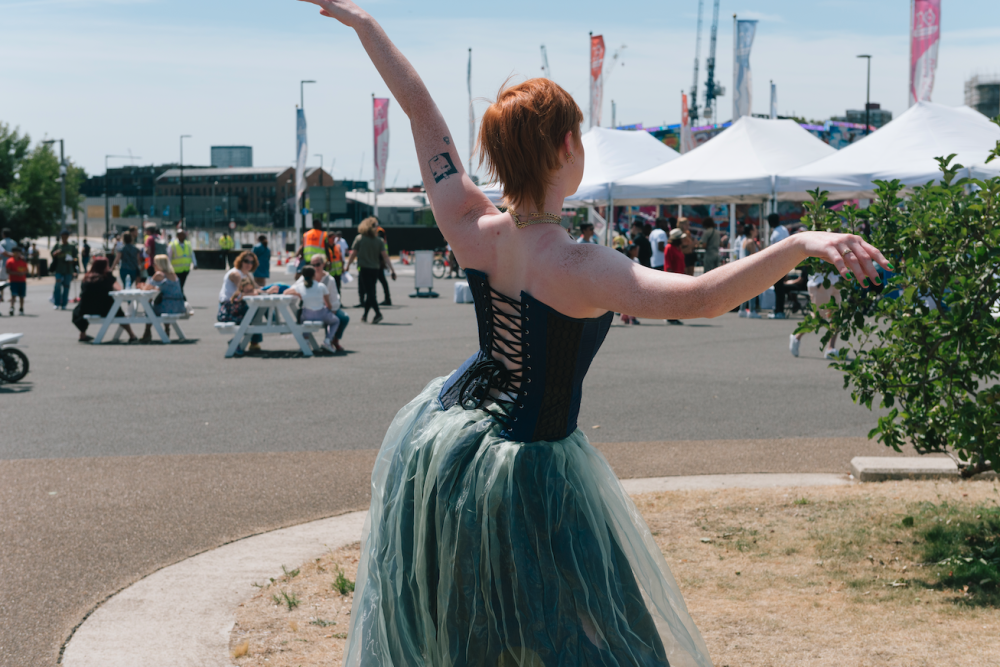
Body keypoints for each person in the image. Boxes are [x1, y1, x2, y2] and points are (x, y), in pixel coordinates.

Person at [298, 4, 889, 665]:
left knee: (476, 630)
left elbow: (419, 112)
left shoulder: (470, 224)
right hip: (531, 464)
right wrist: (800, 243)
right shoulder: (582, 264)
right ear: (565, 148)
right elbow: (702, 298)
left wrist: (366, 26)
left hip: (451, 444)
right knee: (584, 634)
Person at [71, 257, 137, 343]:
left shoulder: (87, 277)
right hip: (104, 308)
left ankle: (82, 334)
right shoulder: (106, 277)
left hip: (85, 309)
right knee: (118, 312)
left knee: (85, 305)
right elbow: (119, 289)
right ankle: (132, 335)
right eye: (107, 265)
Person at [344, 217, 396, 324]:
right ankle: (365, 315)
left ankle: (378, 313)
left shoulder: (360, 238)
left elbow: (353, 254)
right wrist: (392, 270)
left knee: (369, 292)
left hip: (364, 268)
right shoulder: (379, 241)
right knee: (371, 291)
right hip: (375, 269)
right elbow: (385, 256)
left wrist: (348, 265)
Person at [286, 265, 342, 354]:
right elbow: (329, 305)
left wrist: (298, 294)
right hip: (321, 314)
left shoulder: (300, 286)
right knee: (336, 321)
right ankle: (327, 340)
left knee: (303, 317)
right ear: (314, 275)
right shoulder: (321, 286)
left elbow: (286, 292)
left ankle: (306, 340)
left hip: (307, 315)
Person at [219, 250, 264, 352]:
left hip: (239, 305)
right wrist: (262, 291)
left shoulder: (246, 274)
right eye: (246, 261)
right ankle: (244, 342)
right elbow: (244, 291)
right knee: (257, 312)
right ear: (240, 261)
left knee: (260, 309)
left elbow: (256, 288)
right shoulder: (235, 274)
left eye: (252, 262)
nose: (249, 264)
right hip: (228, 308)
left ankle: (253, 342)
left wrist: (268, 290)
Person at [138, 254, 187, 342]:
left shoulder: (159, 274)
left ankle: (147, 332)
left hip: (167, 306)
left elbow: (146, 289)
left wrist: (141, 286)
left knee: (149, 306)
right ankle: (166, 329)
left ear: (160, 264)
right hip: (179, 305)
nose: (153, 265)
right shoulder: (173, 274)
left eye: (155, 263)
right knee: (159, 303)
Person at [308, 254, 350, 349]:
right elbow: (295, 287)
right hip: (312, 309)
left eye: (318, 264)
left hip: (327, 308)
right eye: (313, 265)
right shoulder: (307, 277)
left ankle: (334, 340)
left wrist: (332, 311)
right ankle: (309, 342)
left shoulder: (330, 280)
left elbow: (334, 299)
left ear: (323, 264)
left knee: (343, 318)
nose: (315, 267)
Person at [767, 213, 790, 319]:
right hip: (785, 262)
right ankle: (779, 310)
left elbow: (774, 251)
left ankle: (779, 311)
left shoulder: (775, 234)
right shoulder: (784, 230)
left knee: (778, 289)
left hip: (777, 264)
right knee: (781, 288)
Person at [50, 230, 79, 310]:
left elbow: (76, 258)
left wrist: (72, 261)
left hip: (68, 269)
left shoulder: (72, 246)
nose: (64, 238)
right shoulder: (57, 245)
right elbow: (52, 254)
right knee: (57, 286)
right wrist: (56, 253)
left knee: (66, 287)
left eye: (66, 236)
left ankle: (64, 303)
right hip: (59, 269)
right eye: (63, 236)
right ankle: (57, 303)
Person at [664, 228, 687, 325]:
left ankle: (675, 316)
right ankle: (671, 317)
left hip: (679, 276)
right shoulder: (669, 247)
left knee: (677, 298)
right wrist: (672, 277)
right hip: (673, 277)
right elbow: (668, 264)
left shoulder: (678, 247)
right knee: (673, 298)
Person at [740, 225, 762, 318]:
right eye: (755, 228)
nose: (757, 230)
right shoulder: (751, 242)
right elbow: (755, 256)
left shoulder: (744, 240)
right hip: (750, 269)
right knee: (752, 290)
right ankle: (752, 311)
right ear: (751, 231)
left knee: (745, 290)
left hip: (743, 268)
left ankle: (742, 310)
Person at [167, 229, 196, 295]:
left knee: (181, 284)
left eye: (183, 234)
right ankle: (181, 297)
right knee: (178, 285)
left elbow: (192, 254)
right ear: (178, 236)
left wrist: (195, 263)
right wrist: (168, 267)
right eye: (181, 235)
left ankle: (180, 296)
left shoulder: (188, 244)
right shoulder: (173, 245)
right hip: (176, 270)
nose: (183, 236)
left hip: (185, 269)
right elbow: (169, 256)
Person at [5, 246, 28, 316]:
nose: (17, 254)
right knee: (13, 295)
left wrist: (23, 273)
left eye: (19, 252)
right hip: (13, 281)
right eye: (16, 252)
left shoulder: (23, 260)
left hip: (22, 280)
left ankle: (21, 308)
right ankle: (12, 307)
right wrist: (17, 273)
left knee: (22, 296)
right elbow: (8, 271)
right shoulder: (10, 261)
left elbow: (26, 270)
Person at [376, 225, 393, 305]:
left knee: (374, 282)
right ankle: (387, 298)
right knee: (382, 281)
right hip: (380, 261)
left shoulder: (379, 232)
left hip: (378, 262)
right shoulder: (381, 232)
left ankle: (386, 299)